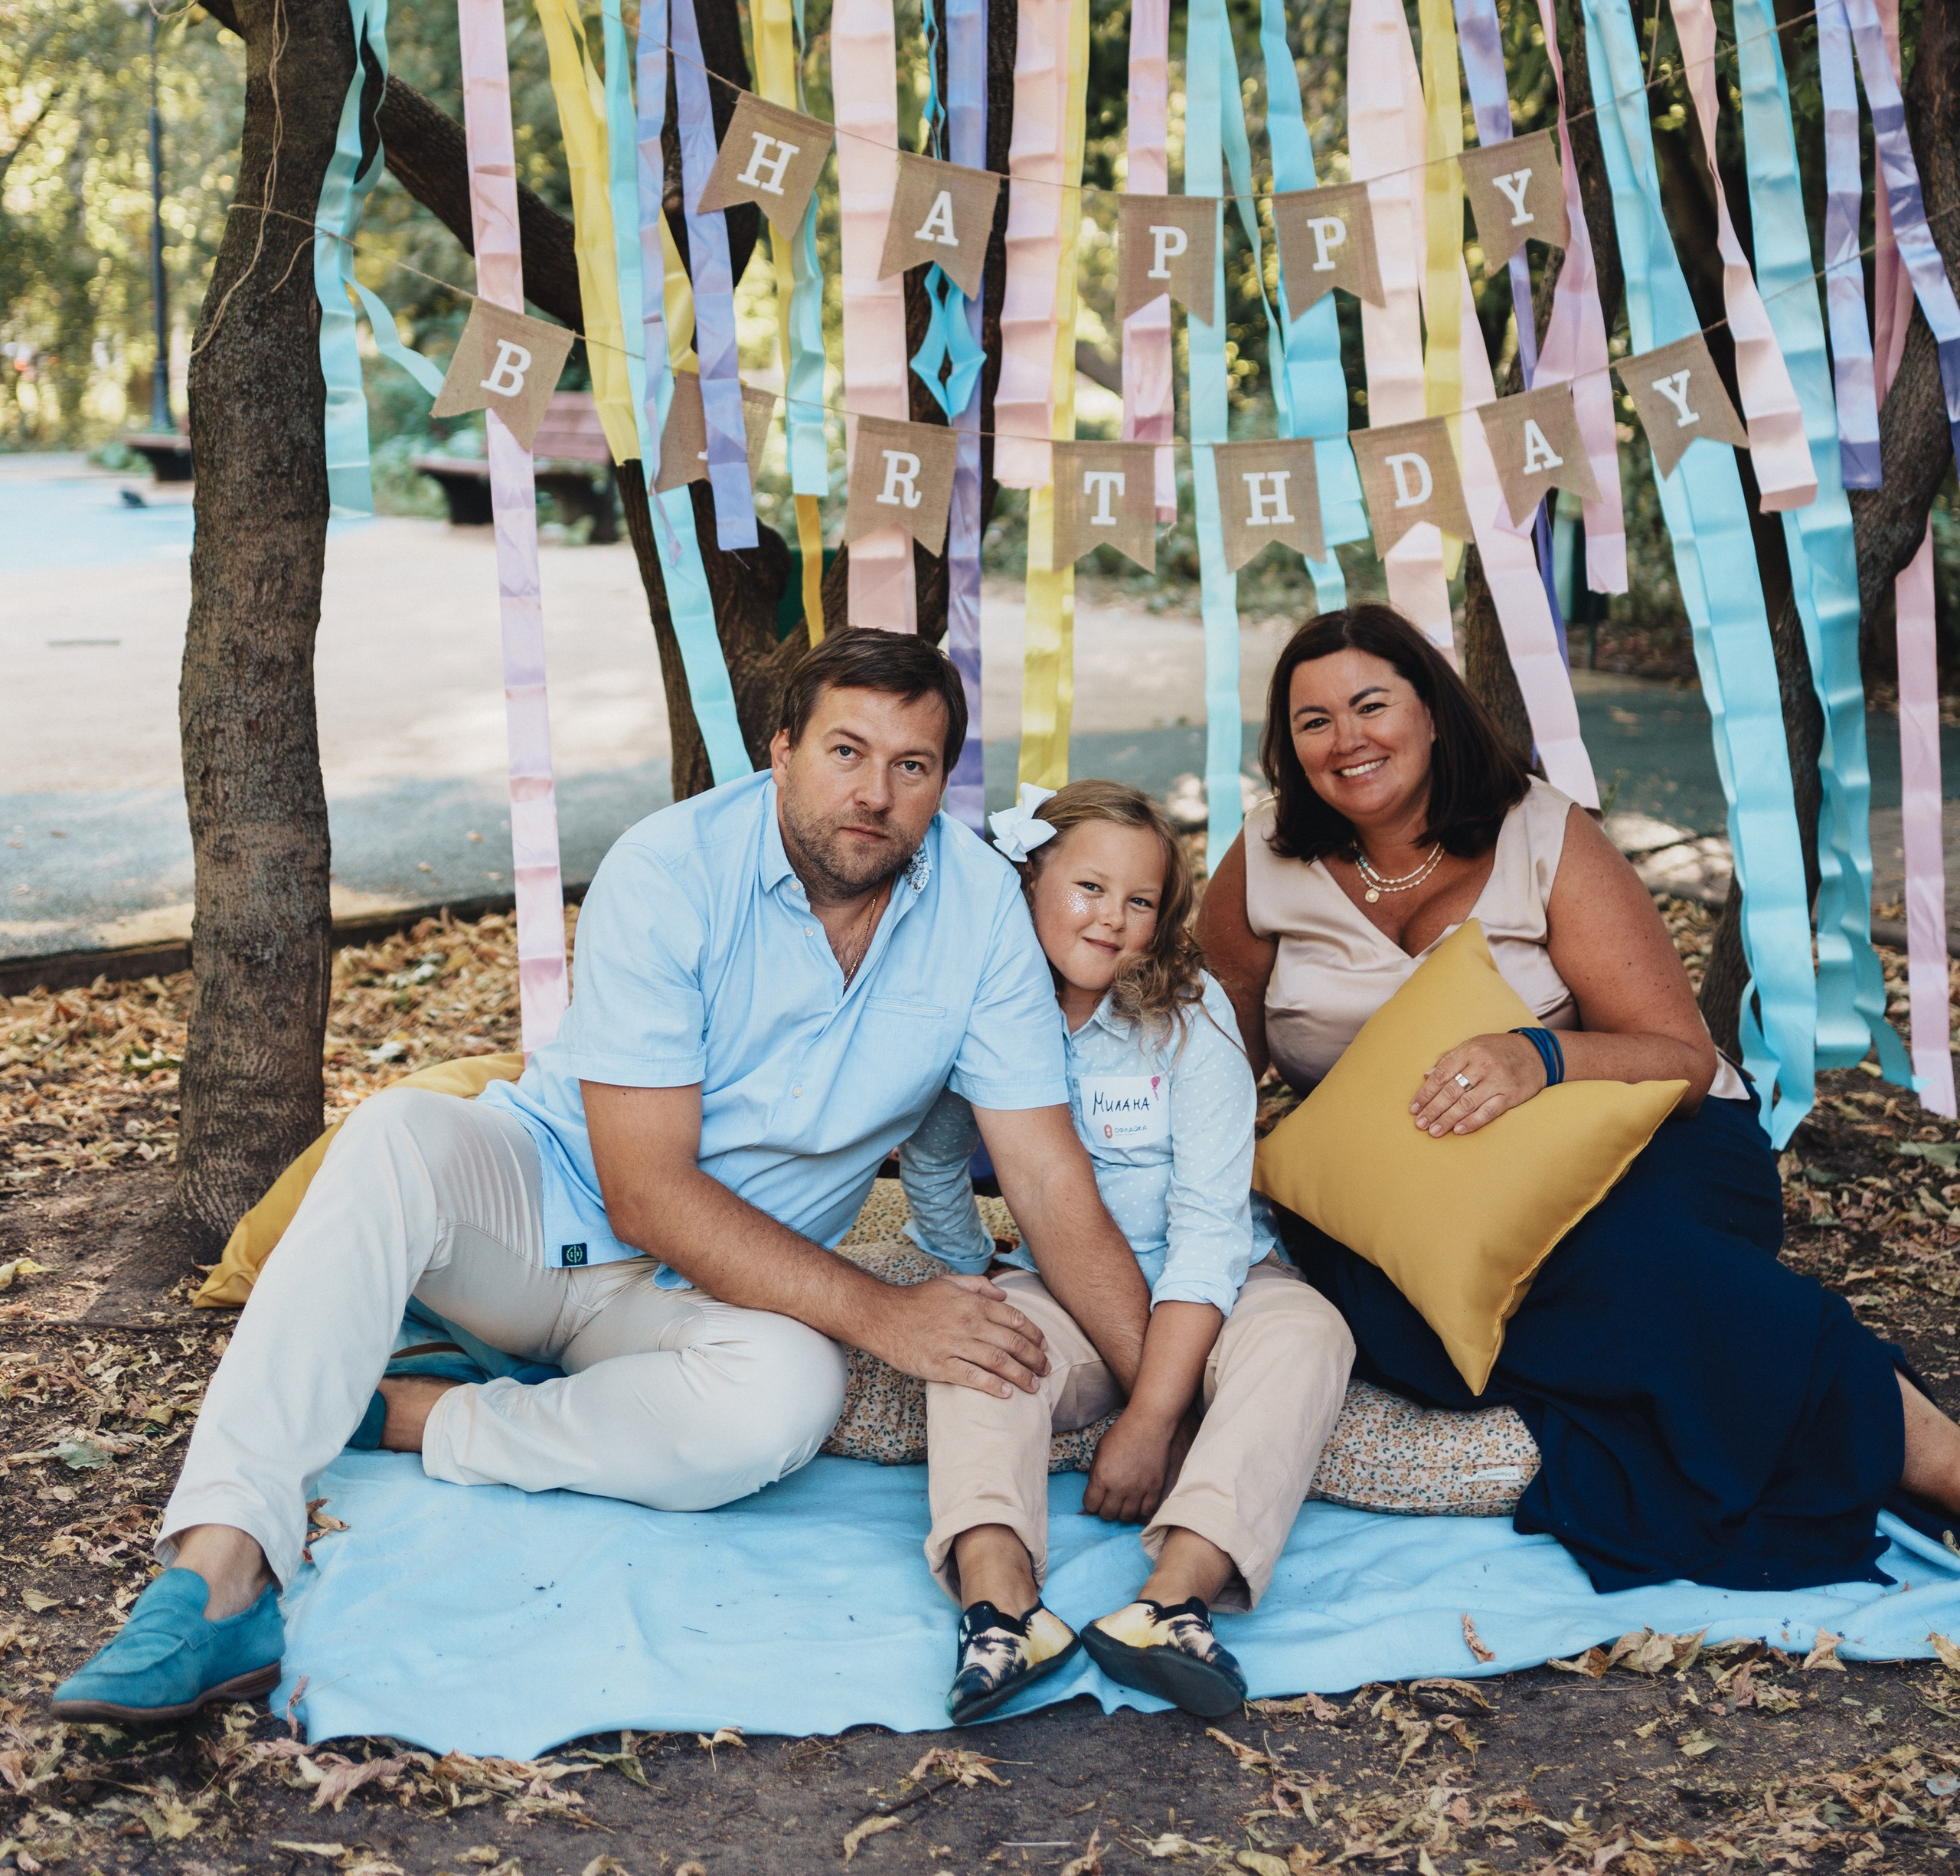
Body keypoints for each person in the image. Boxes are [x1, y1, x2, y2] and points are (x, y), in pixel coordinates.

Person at [54, 629, 1153, 1727]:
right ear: (781, 750)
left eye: (911, 765)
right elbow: (645, 1192)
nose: (874, 793)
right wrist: (885, 1315)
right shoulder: (671, 867)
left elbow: (1047, 1179)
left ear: (944, 781)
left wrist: (1164, 1404)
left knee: (787, 1401)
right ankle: (218, 1575)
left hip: (711, 1297)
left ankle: (427, 1417)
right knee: (394, 1133)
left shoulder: (979, 914)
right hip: (540, 1217)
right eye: (845, 752)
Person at [1199, 599, 1960, 1595]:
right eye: (1314, 721)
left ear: (1431, 714)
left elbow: (1678, 1059)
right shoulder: (1263, 860)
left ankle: (1936, 1462)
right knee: (1420, 1323)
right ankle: (1822, 1414)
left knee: (1635, 1261)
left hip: (1634, 1139)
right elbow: (1213, 1059)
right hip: (1397, 1192)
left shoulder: (1542, 832)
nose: (1347, 740)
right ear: (1288, 745)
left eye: (1371, 705)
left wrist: (1539, 1058)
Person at [901, 778, 1354, 1724]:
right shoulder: (986, 1015)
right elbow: (934, 1159)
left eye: (1140, 901)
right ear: (1028, 882)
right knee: (974, 1340)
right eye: (1089, 888)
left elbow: (1209, 1231)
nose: (1111, 918)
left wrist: (1151, 1420)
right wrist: (972, 1268)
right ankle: (1001, 1607)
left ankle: (1172, 1601)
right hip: (1066, 1294)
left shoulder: (1190, 1018)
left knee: (1310, 1336)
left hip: (1218, 1286)